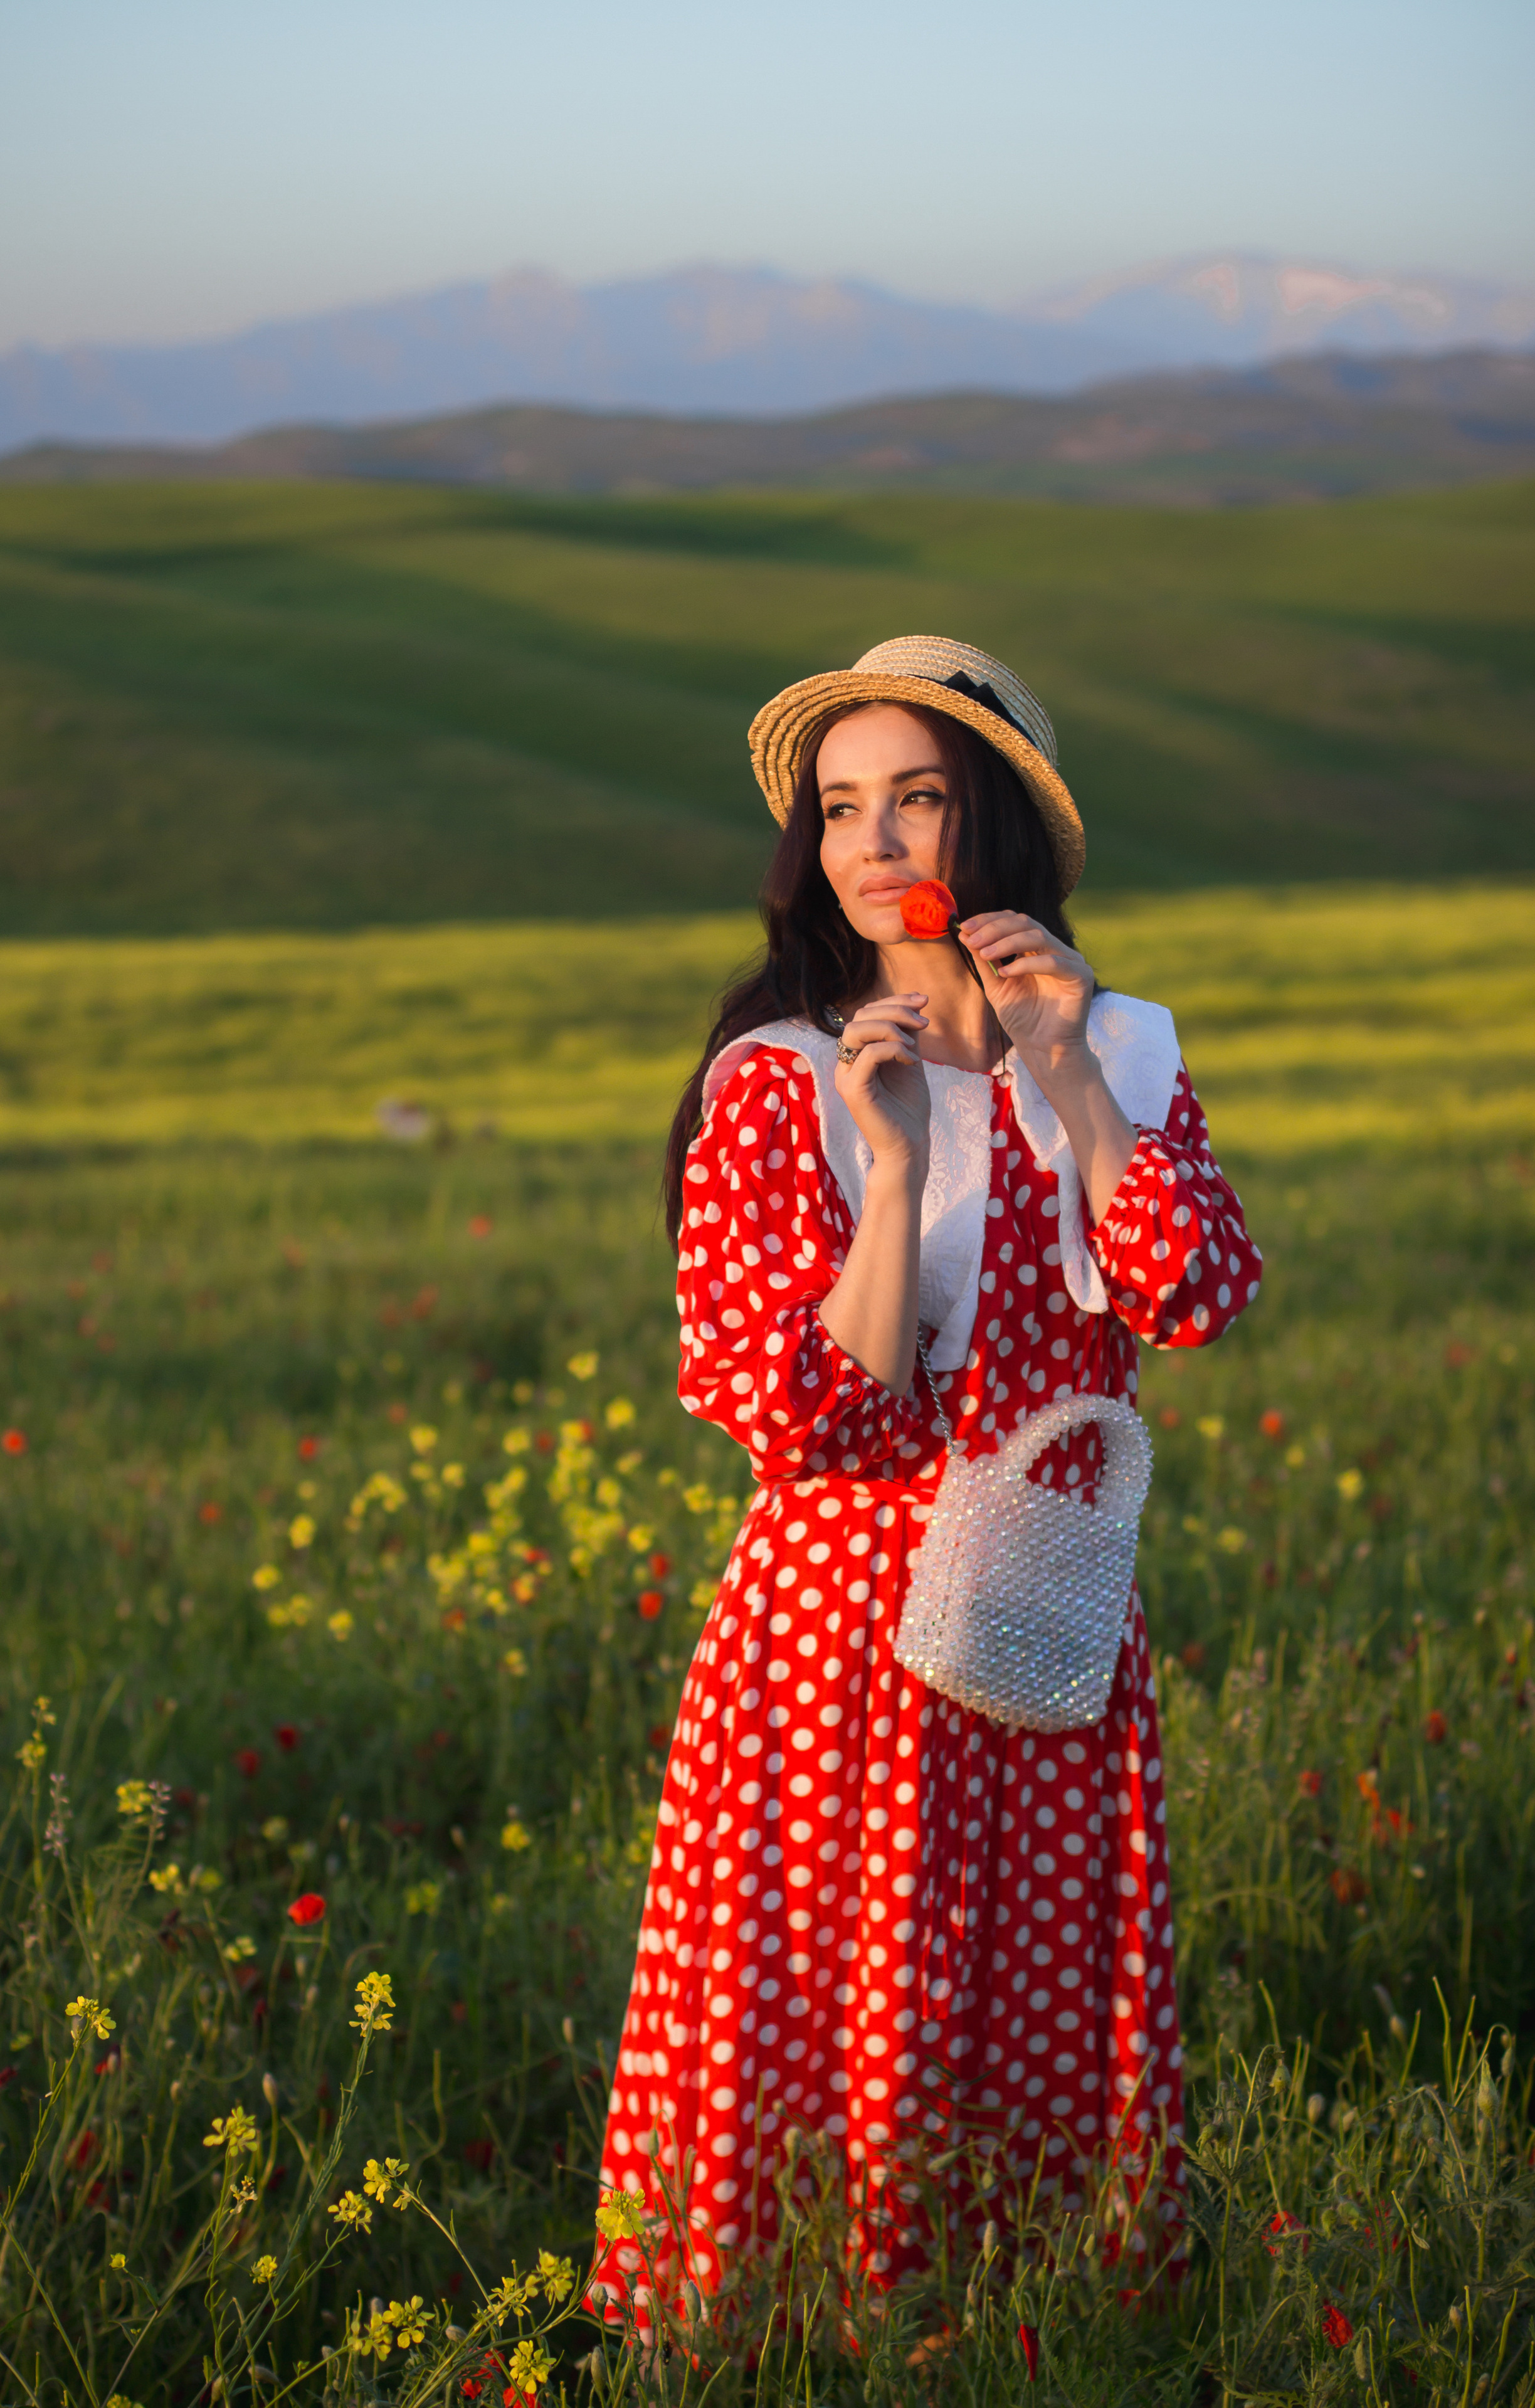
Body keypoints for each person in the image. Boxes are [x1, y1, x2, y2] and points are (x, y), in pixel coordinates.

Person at [591, 636, 1262, 2320]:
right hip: (835, 1641)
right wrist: (889, 1172)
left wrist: (1068, 1076)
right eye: (839, 809)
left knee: (1033, 1989)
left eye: (920, 799)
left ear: (1004, 828)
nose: (875, 843)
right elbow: (806, 1417)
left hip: (1044, 1617)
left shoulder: (1121, 1045)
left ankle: (1017, 2332)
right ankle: (794, 2334)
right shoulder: (779, 1083)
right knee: (822, 2004)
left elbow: (1193, 1292)